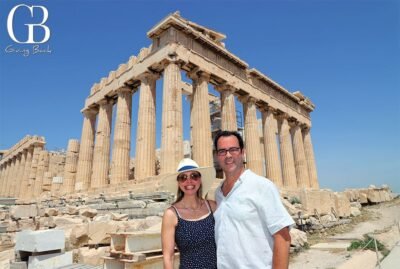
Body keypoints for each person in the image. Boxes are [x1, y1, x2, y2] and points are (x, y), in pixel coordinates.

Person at [214, 130, 294, 269]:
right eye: (222, 151)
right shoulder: (218, 193)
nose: (228, 155)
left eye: (233, 150)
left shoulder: (261, 186)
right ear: (216, 156)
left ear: (243, 152)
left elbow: (283, 238)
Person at [161, 158, 217, 269]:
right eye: (183, 177)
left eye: (194, 176)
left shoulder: (213, 207)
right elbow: (168, 257)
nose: (189, 181)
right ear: (178, 183)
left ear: (200, 180)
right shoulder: (171, 214)